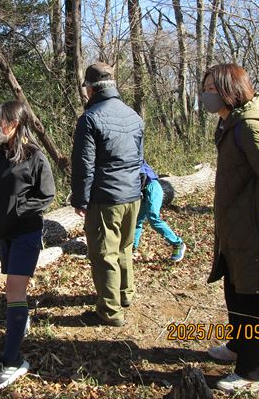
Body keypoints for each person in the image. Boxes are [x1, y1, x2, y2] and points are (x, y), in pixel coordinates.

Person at [201, 63, 259, 394]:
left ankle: (254, 373)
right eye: (206, 88)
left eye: (212, 88)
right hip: (234, 229)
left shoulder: (248, 128)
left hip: (254, 229)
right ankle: (239, 345)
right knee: (236, 292)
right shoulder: (229, 124)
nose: (206, 95)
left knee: (254, 301)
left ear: (229, 90)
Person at [0, 101, 55, 390]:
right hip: (2, 234)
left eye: (4, 121)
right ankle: (20, 319)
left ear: (17, 123)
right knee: (14, 289)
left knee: (13, 288)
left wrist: (19, 211)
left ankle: (12, 361)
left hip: (26, 233)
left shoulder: (35, 156)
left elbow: (47, 195)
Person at [71, 62, 144, 327]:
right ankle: (125, 294)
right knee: (124, 247)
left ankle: (110, 311)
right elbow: (139, 158)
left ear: (91, 89)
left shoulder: (90, 119)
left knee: (104, 254)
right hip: (133, 194)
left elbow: (84, 165)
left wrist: (80, 198)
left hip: (105, 197)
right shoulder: (134, 115)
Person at [133, 160, 186, 262]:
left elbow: (142, 175)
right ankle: (132, 248)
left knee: (153, 218)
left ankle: (178, 244)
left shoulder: (134, 156)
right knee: (137, 220)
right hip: (143, 192)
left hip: (152, 187)